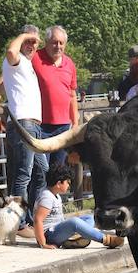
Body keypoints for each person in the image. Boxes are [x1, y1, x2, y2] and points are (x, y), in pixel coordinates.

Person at [0, 26, 47, 207]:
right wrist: (24, 35)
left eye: (34, 42)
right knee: (23, 174)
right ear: (20, 41)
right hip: (23, 123)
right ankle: (18, 221)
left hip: (32, 124)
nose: (31, 45)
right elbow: (10, 51)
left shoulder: (24, 64)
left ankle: (31, 216)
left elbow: (2, 86)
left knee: (41, 172)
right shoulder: (15, 59)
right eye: (27, 42)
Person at [32, 165, 125, 249]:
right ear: (59, 183)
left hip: (56, 230)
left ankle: (74, 238)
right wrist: (43, 243)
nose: (68, 186)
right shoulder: (47, 197)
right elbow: (38, 220)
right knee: (74, 222)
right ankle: (107, 240)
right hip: (49, 236)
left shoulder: (55, 195)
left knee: (89, 217)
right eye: (67, 183)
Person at [34, 25, 79, 169]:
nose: (58, 46)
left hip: (64, 127)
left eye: (61, 43)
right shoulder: (35, 58)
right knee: (41, 171)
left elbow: (72, 95)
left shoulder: (69, 63)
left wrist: (76, 124)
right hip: (41, 125)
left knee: (58, 170)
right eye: (54, 42)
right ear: (46, 42)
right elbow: (10, 74)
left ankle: (53, 193)